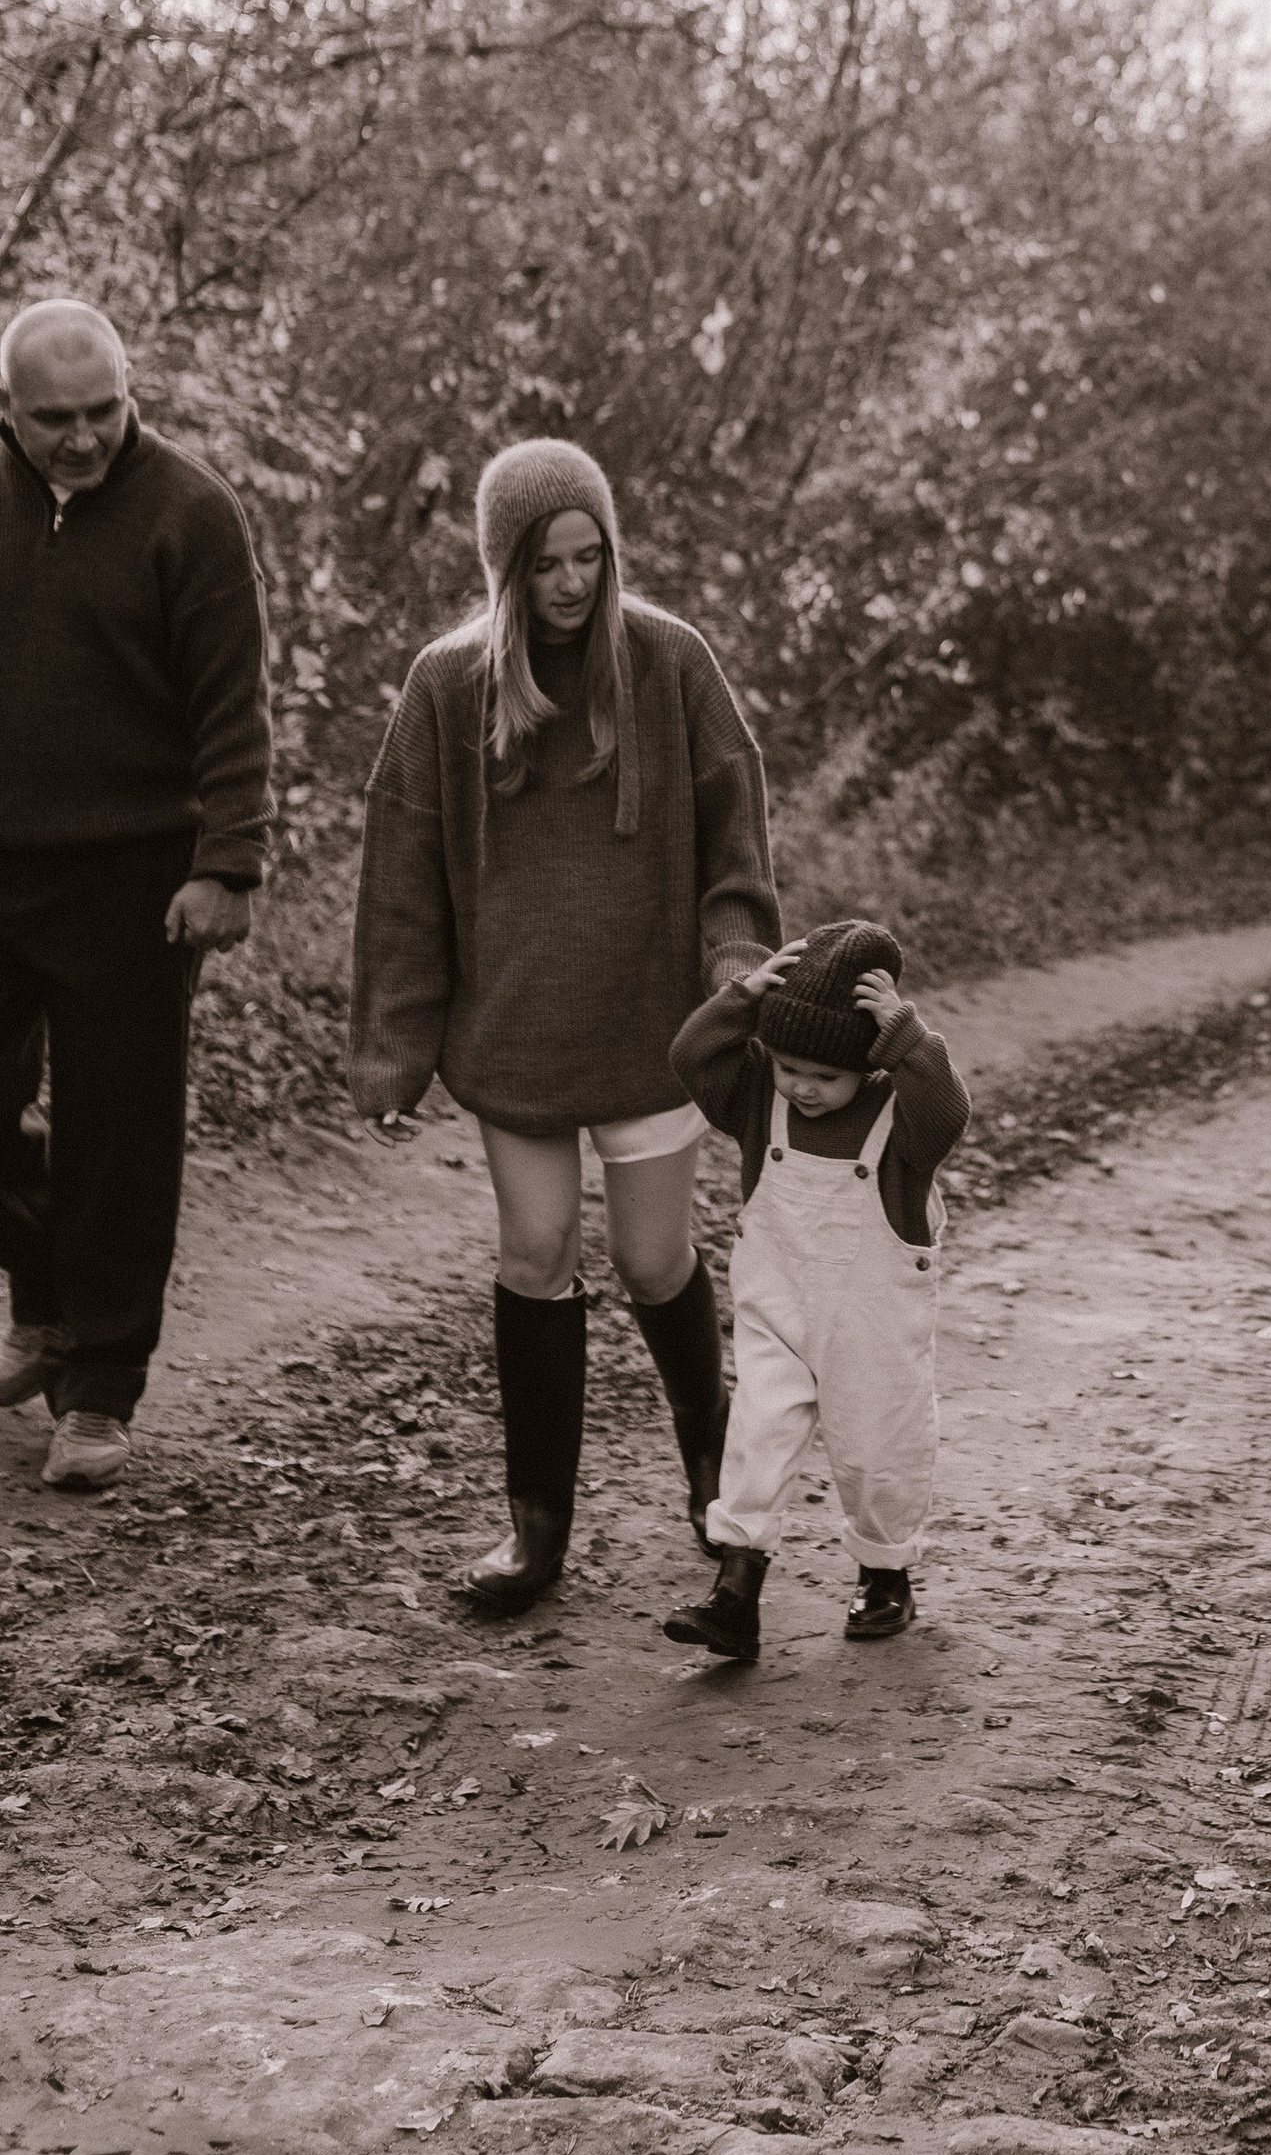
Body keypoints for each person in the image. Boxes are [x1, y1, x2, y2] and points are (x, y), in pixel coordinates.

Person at [348, 438, 779, 1616]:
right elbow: (403, 876)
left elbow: (734, 842)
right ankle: (536, 1535)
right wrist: (393, 1045)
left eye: (591, 555)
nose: (574, 583)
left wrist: (736, 971)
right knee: (534, 1258)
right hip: (516, 1033)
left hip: (651, 1025)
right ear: (505, 568)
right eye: (547, 563)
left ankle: (715, 1483)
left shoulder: (670, 662)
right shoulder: (448, 684)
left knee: (652, 1259)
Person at [0, 301, 269, 1493]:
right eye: (53, 419)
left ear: (129, 391)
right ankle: (49, 1295)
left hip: (134, 877)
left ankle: (99, 1390)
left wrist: (228, 863)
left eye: (101, 411)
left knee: (122, 1132)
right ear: (8, 409)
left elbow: (232, 706)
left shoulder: (191, 512)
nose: (81, 439)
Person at [660, 916, 969, 1666]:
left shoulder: (902, 1126)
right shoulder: (756, 1099)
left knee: (876, 1451)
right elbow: (690, 1057)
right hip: (778, 1308)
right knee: (755, 1436)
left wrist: (905, 1034)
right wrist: (743, 999)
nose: (801, 1087)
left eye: (823, 1076)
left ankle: (884, 1573)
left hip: (872, 1320)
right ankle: (736, 1592)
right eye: (788, 1065)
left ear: (868, 1068)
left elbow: (950, 1111)